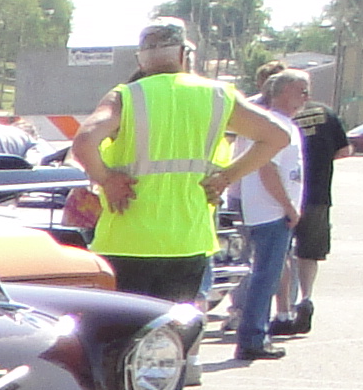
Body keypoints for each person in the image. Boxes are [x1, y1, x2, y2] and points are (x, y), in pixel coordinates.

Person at [69, 19, 296, 304]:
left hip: (126, 241)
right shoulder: (217, 96)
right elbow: (277, 136)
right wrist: (227, 176)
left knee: (125, 337)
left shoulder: (127, 96)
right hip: (188, 242)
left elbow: (84, 141)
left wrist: (106, 180)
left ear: (142, 59)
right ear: (183, 54)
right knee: (174, 334)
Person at [224, 106, 302, 363]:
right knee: (266, 276)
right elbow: (268, 169)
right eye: (302, 92)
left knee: (263, 274)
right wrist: (288, 206)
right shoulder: (274, 126)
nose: (306, 98)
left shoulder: (265, 123)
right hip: (270, 212)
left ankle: (254, 333)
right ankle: (253, 337)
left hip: (262, 209)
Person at [278, 66, 341, 334]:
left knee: (282, 252)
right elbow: (345, 149)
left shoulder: (279, 117)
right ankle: (306, 298)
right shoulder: (326, 114)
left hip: (285, 193)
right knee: (309, 253)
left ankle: (284, 308)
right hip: (317, 192)